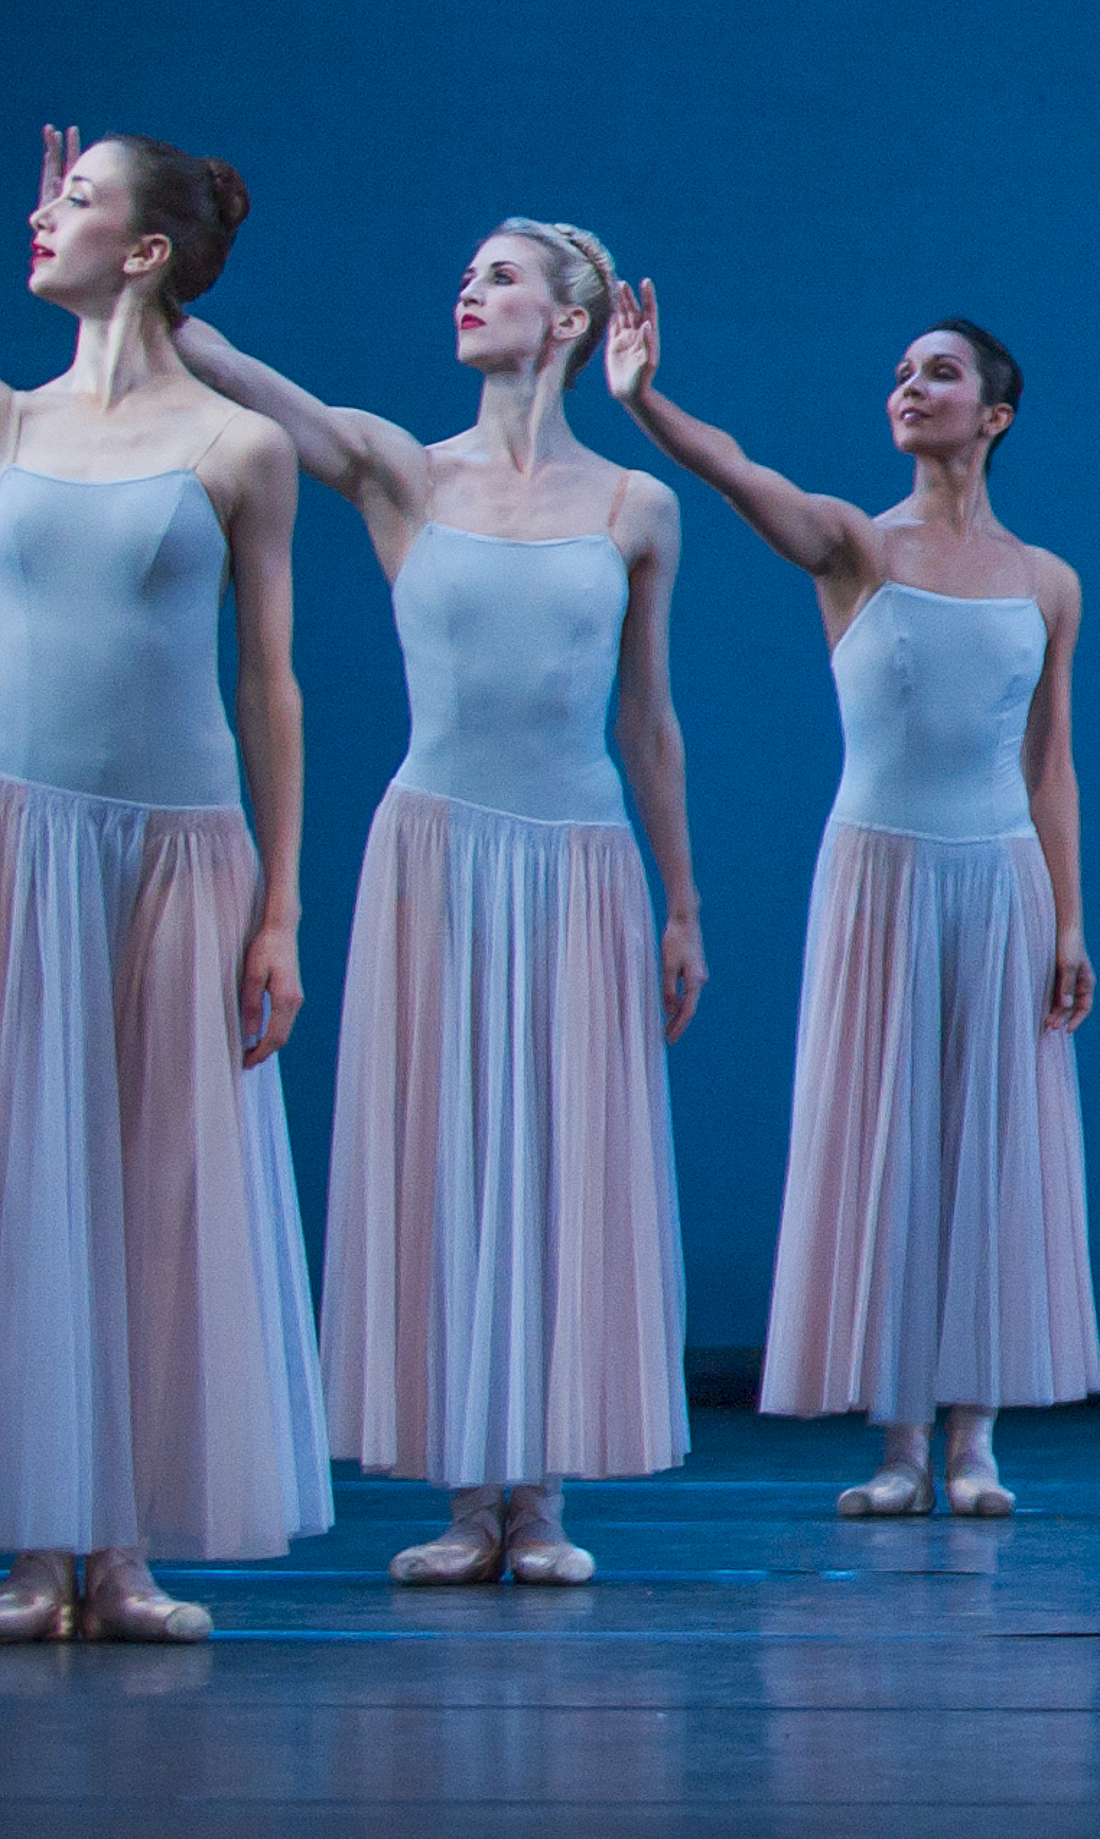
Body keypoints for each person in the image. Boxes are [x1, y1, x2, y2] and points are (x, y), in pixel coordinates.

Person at [177, 201, 700, 1582]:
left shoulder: (636, 505)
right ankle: (473, 1499)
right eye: (464, 273)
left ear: (572, 321)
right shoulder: (403, 469)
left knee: (561, 1157)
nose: (470, 291)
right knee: (459, 1148)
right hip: (438, 853)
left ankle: (546, 1500)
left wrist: (685, 902)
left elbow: (649, 721)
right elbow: (234, 370)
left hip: (583, 858)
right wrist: (148, 259)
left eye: (504, 277)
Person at [613, 292, 1098, 1517]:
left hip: (1000, 882)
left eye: (937, 374)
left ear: (992, 414)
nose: (908, 387)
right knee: (888, 1138)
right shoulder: (853, 545)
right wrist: (640, 399)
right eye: (898, 371)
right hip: (878, 876)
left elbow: (1051, 762)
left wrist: (1072, 920)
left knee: (984, 1143)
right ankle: (896, 1440)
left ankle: (975, 1435)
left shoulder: (1047, 581)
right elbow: (733, 471)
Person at [0, 131, 326, 1642]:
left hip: (174, 854)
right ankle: (29, 1547)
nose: (35, 215)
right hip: (20, 837)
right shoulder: (7, 421)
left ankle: (118, 1548)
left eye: (71, 203)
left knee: (146, 1191)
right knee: (26, 1189)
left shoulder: (236, 448)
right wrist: (92, 202)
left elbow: (271, 687)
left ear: (143, 253)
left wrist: (279, 907)